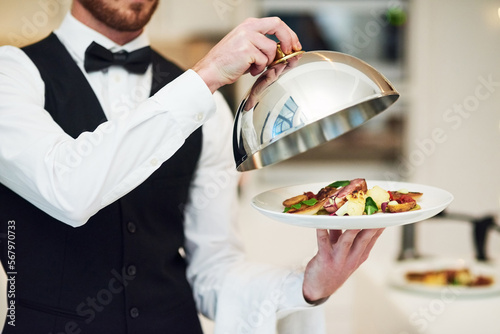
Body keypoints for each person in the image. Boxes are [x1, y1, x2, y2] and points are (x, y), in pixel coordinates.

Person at [0, 0, 384, 333]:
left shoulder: (209, 107)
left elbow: (213, 273)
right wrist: (207, 75)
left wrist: (307, 285)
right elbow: (67, 190)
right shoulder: (11, 74)